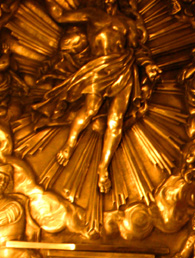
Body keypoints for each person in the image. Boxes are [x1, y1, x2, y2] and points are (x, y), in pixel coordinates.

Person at [39, 0, 161, 194]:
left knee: (116, 121)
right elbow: (60, 16)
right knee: (90, 109)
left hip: (123, 67)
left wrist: (148, 66)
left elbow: (137, 49)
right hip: (99, 66)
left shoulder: (126, 22)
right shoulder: (91, 15)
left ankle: (103, 167)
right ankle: (70, 143)